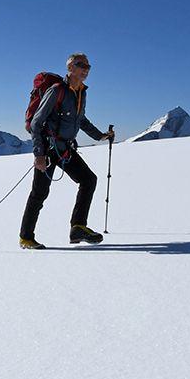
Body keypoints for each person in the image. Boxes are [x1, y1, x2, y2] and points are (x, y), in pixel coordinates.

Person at [20, 52, 114, 249]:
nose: (86, 69)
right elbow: (36, 123)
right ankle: (26, 237)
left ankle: (78, 227)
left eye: (88, 66)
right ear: (70, 68)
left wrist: (100, 136)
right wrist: (39, 154)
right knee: (39, 193)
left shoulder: (81, 93)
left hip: (65, 148)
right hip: (48, 149)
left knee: (89, 180)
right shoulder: (56, 90)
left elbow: (81, 120)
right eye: (81, 65)